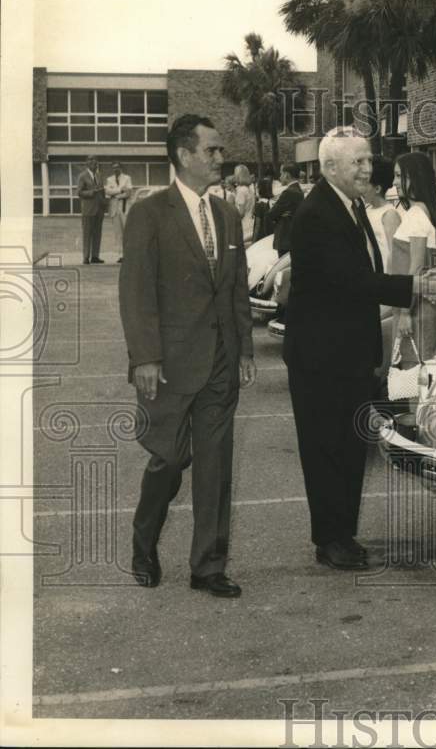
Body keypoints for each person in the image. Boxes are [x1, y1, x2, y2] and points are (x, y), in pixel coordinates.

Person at [282, 127, 436, 572]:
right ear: (330, 167)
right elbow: (351, 280)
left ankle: (344, 534)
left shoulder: (350, 206)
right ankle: (330, 539)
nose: (367, 168)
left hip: (348, 351)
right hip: (321, 357)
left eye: (367, 159)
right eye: (357, 161)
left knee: (349, 445)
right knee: (325, 449)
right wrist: (418, 285)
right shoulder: (317, 213)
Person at [119, 114, 256, 598]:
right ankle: (144, 541)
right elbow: (136, 293)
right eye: (212, 151)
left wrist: (243, 348)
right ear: (183, 155)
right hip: (170, 365)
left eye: (220, 151)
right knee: (170, 460)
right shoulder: (149, 213)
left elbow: (236, 289)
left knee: (216, 465)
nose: (221, 158)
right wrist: (146, 359)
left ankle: (208, 566)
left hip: (220, 361)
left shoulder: (227, 215)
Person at [391, 151, 436, 372]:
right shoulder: (431, 212)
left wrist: (405, 313)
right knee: (426, 369)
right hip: (427, 307)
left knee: (415, 372)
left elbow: (415, 267)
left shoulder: (415, 216)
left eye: (398, 176)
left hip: (414, 309)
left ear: (414, 177)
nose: (394, 182)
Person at [363, 155, 401, 271]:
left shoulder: (389, 214)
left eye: (365, 184)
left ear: (377, 189)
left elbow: (394, 254)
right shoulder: (366, 210)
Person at [264, 163, 304, 258]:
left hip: (285, 238)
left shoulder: (289, 192)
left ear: (287, 175)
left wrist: (277, 213)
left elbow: (271, 214)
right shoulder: (298, 190)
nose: (280, 177)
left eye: (281, 174)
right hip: (292, 237)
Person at [77, 156, 107, 264]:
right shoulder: (82, 176)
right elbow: (79, 192)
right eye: (91, 160)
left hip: (99, 210)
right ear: (87, 163)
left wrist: (104, 205)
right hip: (88, 210)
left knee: (97, 233)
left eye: (95, 160)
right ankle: (86, 257)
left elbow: (102, 191)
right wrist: (91, 192)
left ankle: (95, 256)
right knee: (87, 233)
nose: (94, 162)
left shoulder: (99, 175)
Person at [104, 163, 132, 263]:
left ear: (121, 168)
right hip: (114, 209)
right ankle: (121, 255)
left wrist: (116, 195)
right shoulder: (109, 179)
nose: (115, 170)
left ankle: (128, 254)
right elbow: (107, 192)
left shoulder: (127, 178)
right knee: (118, 233)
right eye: (114, 168)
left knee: (127, 232)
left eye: (117, 168)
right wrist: (120, 190)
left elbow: (128, 193)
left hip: (124, 209)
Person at [232, 164, 256, 244]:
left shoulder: (241, 191)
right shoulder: (250, 190)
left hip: (243, 224)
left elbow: (241, 213)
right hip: (251, 222)